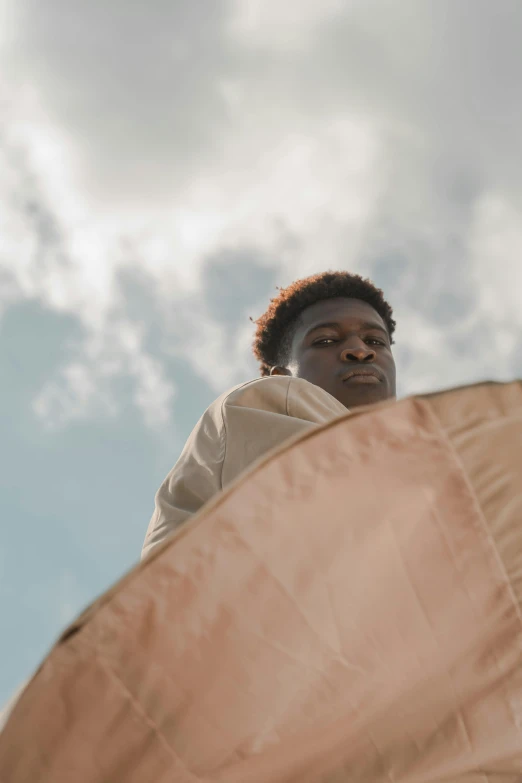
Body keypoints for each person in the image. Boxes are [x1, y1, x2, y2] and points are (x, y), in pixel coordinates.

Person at [141, 270, 397, 558]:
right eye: (325, 341)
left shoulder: (397, 451)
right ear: (282, 373)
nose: (359, 350)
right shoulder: (265, 401)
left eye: (376, 341)